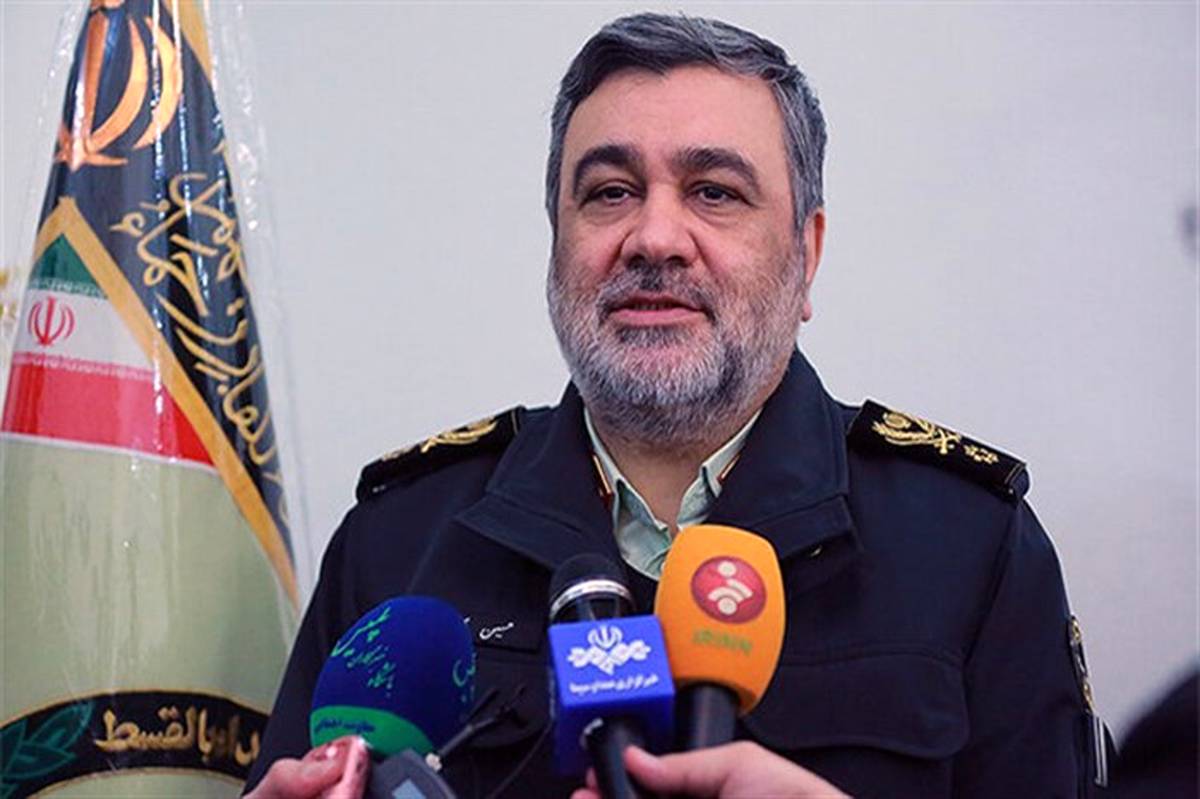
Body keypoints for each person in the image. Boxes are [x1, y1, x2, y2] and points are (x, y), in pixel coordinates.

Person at [244, 12, 1103, 798]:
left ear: (806, 254)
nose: (654, 237)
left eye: (714, 192)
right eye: (610, 192)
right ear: (557, 243)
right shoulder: (397, 542)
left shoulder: (971, 545)